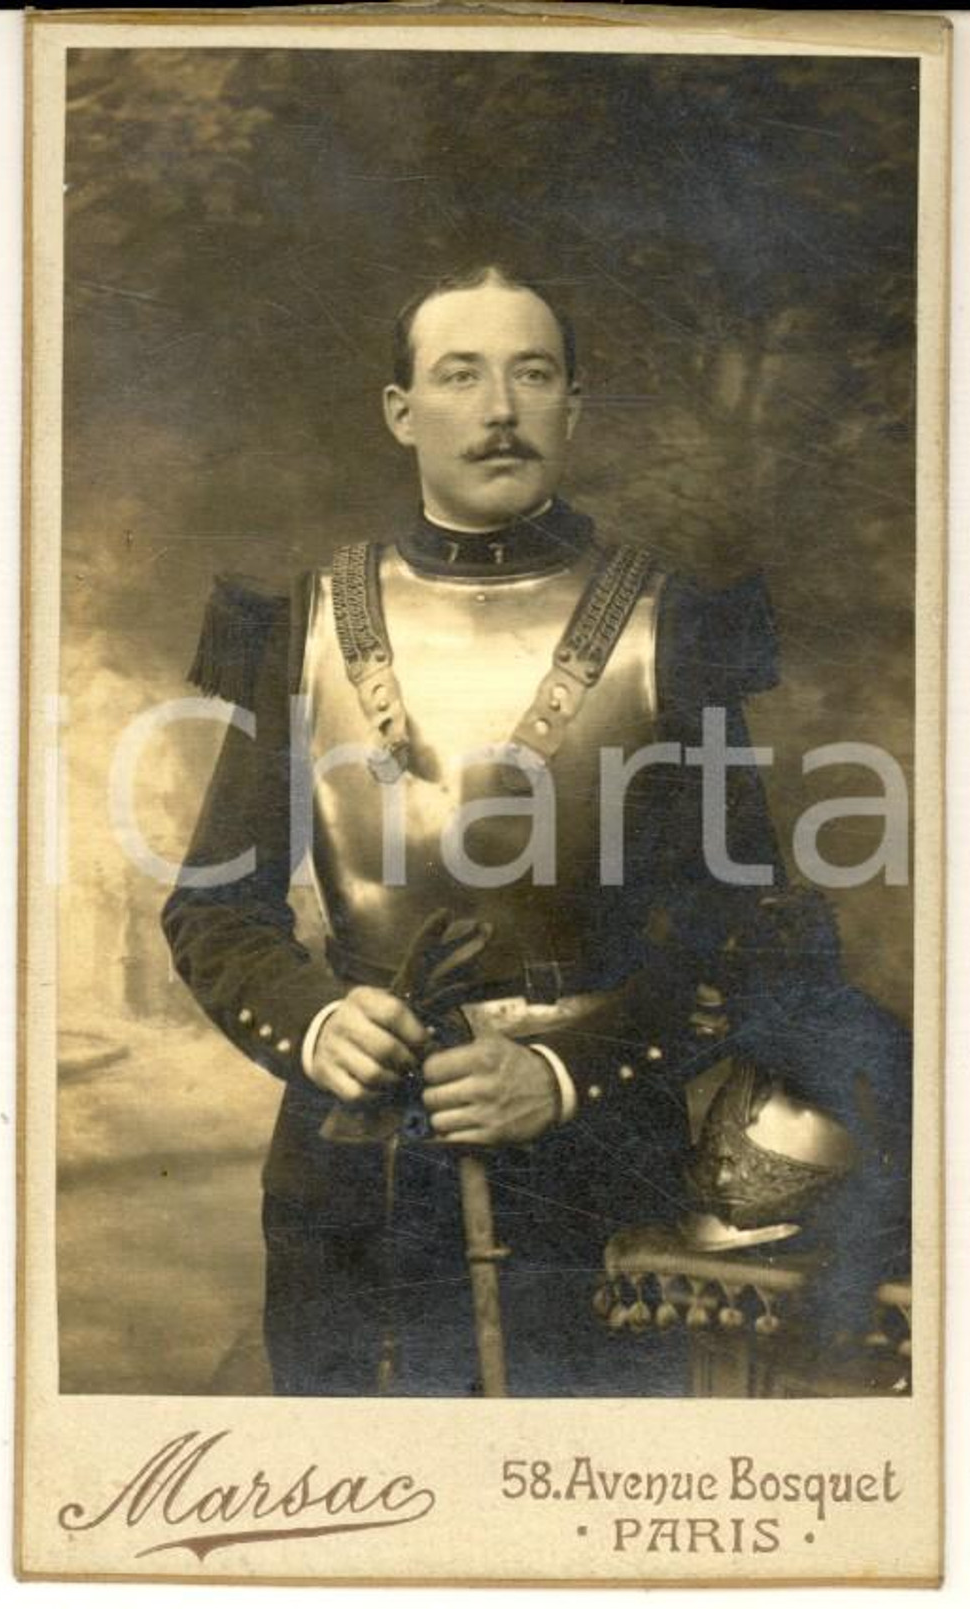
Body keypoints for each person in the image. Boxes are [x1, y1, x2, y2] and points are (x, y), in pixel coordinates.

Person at [162, 265, 909, 1397]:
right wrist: (315, 1024)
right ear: (401, 410)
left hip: (595, 1185)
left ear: (573, 406)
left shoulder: (672, 627)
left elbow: (744, 932)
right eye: (460, 376)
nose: (500, 409)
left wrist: (562, 1070)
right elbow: (213, 907)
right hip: (350, 1185)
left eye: (533, 374)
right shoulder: (301, 623)